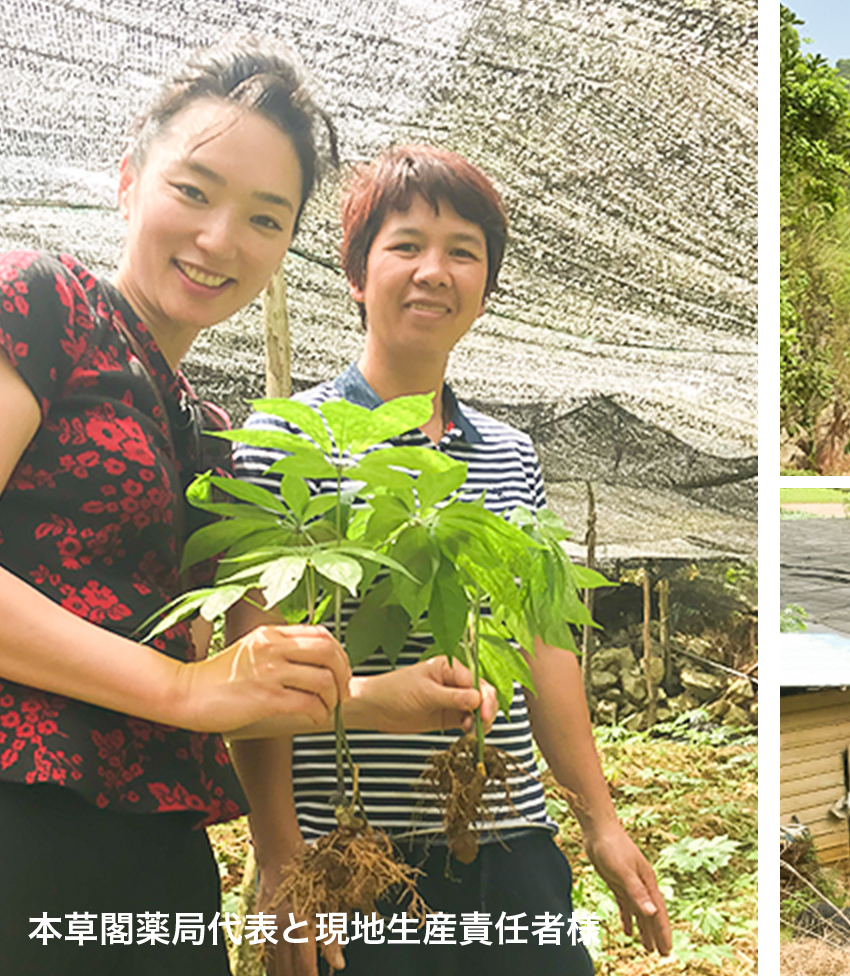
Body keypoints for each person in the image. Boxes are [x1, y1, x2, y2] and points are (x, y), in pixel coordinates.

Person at [0, 38, 495, 975]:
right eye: (194, 190)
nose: (222, 240)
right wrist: (182, 689)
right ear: (128, 180)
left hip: (154, 845)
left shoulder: (210, 434)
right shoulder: (43, 302)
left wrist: (363, 708)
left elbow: (228, 672)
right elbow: (193, 683)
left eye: (266, 219)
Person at [235, 145, 672, 975]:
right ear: (358, 275)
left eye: (462, 251)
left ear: (486, 289)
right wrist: (283, 862)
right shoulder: (285, 439)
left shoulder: (509, 455)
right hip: (352, 854)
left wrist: (599, 820)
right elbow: (254, 670)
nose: (434, 270)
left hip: (510, 844)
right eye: (405, 245)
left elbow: (545, 646)